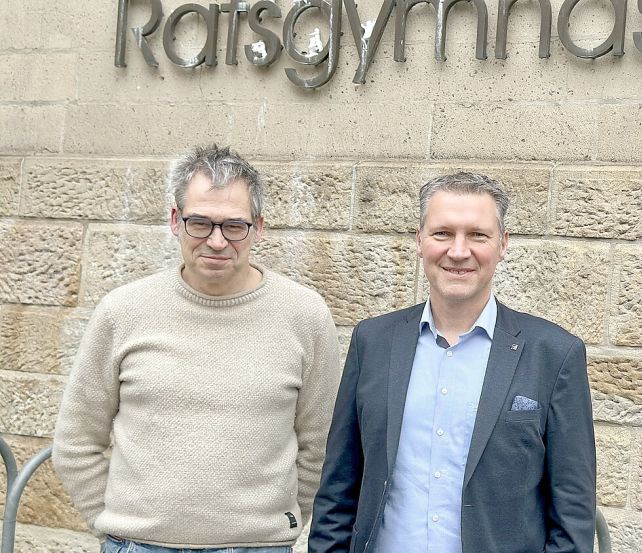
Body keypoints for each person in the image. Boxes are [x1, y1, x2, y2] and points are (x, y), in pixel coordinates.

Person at [53, 145, 341, 553]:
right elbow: (76, 440)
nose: (217, 241)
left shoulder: (304, 314)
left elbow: (321, 443)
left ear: (258, 227)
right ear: (175, 220)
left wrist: (278, 523)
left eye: (234, 226)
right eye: (200, 223)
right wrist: (119, 523)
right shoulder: (124, 311)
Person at [308, 172, 596, 553]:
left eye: (477, 235)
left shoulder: (553, 355)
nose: (458, 251)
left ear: (503, 245)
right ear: (420, 241)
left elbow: (573, 513)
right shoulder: (373, 342)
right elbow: (338, 489)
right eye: (443, 233)